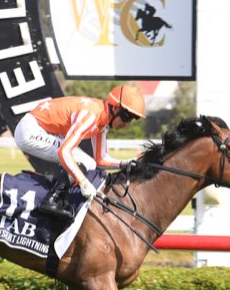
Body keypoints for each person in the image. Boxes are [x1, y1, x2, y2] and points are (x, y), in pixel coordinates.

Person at [14, 85, 146, 220]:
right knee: (83, 160)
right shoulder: (92, 115)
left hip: (39, 129)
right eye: (126, 117)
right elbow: (64, 151)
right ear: (116, 108)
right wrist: (83, 183)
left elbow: (100, 159)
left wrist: (124, 163)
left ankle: (59, 197)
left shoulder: (103, 120)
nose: (126, 124)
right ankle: (52, 200)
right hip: (30, 130)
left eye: (131, 119)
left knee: (89, 162)